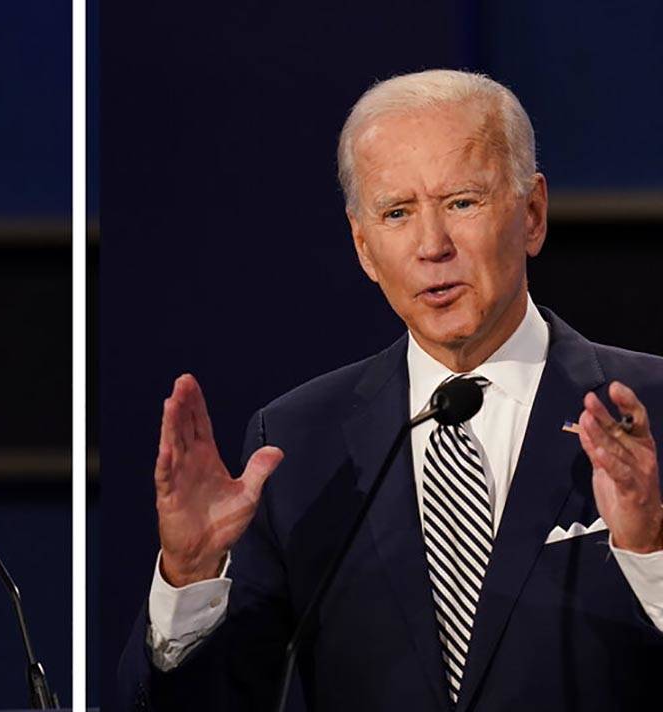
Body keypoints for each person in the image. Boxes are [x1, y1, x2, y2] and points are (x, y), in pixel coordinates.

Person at [118, 69, 663, 711]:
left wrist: (651, 547)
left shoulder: (649, 409)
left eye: (462, 201)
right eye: (397, 213)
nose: (432, 246)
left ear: (533, 214)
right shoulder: (299, 445)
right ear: (363, 247)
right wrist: (189, 578)